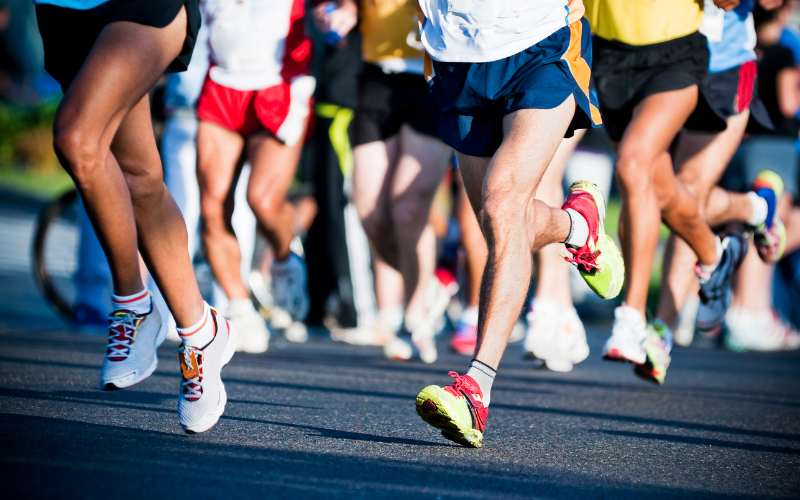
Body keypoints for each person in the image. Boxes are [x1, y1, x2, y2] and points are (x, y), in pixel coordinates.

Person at [412, 0, 624, 448]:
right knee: (500, 226)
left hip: (540, 42)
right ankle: (576, 225)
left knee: (503, 205)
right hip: (456, 56)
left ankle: (475, 389)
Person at [34, 0, 237, 433]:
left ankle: (132, 303)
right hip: (64, 10)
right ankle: (202, 332)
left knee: (78, 139)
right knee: (140, 176)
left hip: (140, 4)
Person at [585, 0, 749, 382]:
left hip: (675, 54)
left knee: (632, 165)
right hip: (608, 56)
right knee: (658, 190)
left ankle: (632, 319)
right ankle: (714, 254)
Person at [315, 0, 455, 363]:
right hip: (376, 78)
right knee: (370, 212)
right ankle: (428, 285)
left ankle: (415, 316)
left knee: (409, 207)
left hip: (434, 76)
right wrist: (344, 10)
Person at [655, 0, 788, 359]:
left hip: (723, 66)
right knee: (652, 188)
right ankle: (753, 207)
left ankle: (660, 331)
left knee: (686, 194)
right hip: (660, 60)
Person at [196, 0, 315, 354]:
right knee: (213, 205)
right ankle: (241, 309)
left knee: (262, 200)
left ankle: (283, 258)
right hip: (220, 87)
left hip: (279, 86)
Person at [719, 2, 800, 351]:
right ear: (782, 13)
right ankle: (748, 312)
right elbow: (787, 105)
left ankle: (743, 309)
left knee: (757, 224)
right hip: (775, 149)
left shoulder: (742, 47)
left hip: (741, 144)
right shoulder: (782, 52)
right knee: (766, 228)